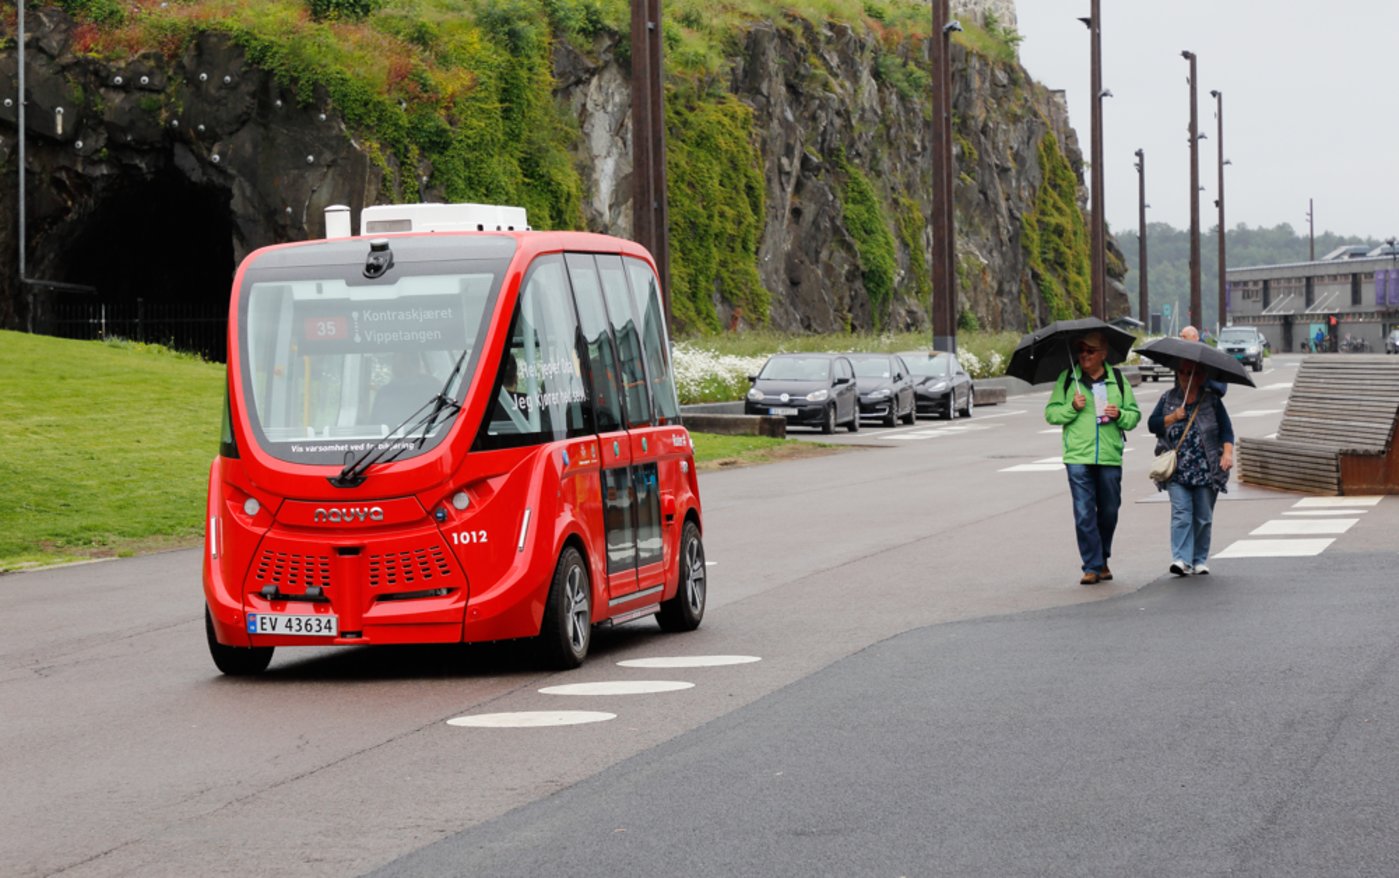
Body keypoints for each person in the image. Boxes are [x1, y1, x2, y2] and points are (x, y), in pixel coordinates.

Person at [1045, 331, 1142, 585]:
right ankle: (1091, 565)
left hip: (1109, 455)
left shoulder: (1118, 380)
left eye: (1090, 351)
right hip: (1077, 455)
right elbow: (1052, 414)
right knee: (1084, 512)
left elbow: (1134, 416)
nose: (1084, 355)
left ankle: (1102, 558)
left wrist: (1119, 413)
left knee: (1109, 511)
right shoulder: (1068, 380)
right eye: (1082, 350)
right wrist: (1071, 407)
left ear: (1103, 354)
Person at [1147, 360, 1235, 576]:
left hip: (1206, 468)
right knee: (1181, 514)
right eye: (1183, 373)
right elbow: (1152, 424)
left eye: (1191, 373)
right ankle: (1181, 559)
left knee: (1203, 517)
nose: (1186, 377)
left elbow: (1226, 430)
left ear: (1201, 376)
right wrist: (1172, 417)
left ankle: (1199, 559)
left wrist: (1228, 453)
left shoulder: (1212, 401)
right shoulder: (1168, 399)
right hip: (1178, 469)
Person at [370, 351, 442, 426]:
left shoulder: (433, 387)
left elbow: (444, 417)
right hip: (390, 435)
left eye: (405, 364)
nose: (404, 368)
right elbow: (375, 425)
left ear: (416, 365)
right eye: (400, 364)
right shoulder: (385, 393)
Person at [1180, 325, 1228, 396]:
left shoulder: (1208, 356)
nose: (1181, 339)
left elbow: (1220, 388)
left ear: (1194, 337)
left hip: (1204, 396)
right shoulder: (1182, 354)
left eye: (1184, 337)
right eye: (1180, 336)